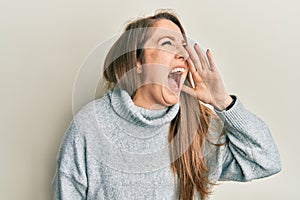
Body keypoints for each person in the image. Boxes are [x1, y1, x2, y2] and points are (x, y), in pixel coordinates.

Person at [52, 10, 281, 200]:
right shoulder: (90, 127)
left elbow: (266, 160)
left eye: (183, 46)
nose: (183, 53)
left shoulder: (196, 128)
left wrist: (222, 102)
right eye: (166, 43)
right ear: (137, 61)